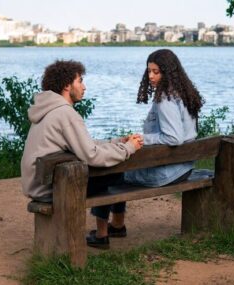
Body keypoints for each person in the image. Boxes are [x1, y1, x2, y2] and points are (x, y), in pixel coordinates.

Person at [88, 49, 204, 247]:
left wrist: (141, 139)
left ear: (168, 72)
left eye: (156, 72)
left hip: (165, 173)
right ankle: (117, 225)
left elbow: (173, 137)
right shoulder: (183, 94)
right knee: (122, 167)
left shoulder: (165, 98)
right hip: (184, 168)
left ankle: (101, 235)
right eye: (149, 71)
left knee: (105, 172)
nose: (150, 76)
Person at [21, 59, 143, 218]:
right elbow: (92, 155)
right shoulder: (65, 114)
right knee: (116, 173)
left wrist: (117, 142)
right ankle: (111, 229)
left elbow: (84, 145)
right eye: (80, 81)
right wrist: (129, 148)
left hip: (38, 184)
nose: (84, 87)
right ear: (67, 85)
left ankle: (106, 232)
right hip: (52, 188)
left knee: (110, 171)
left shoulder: (49, 110)